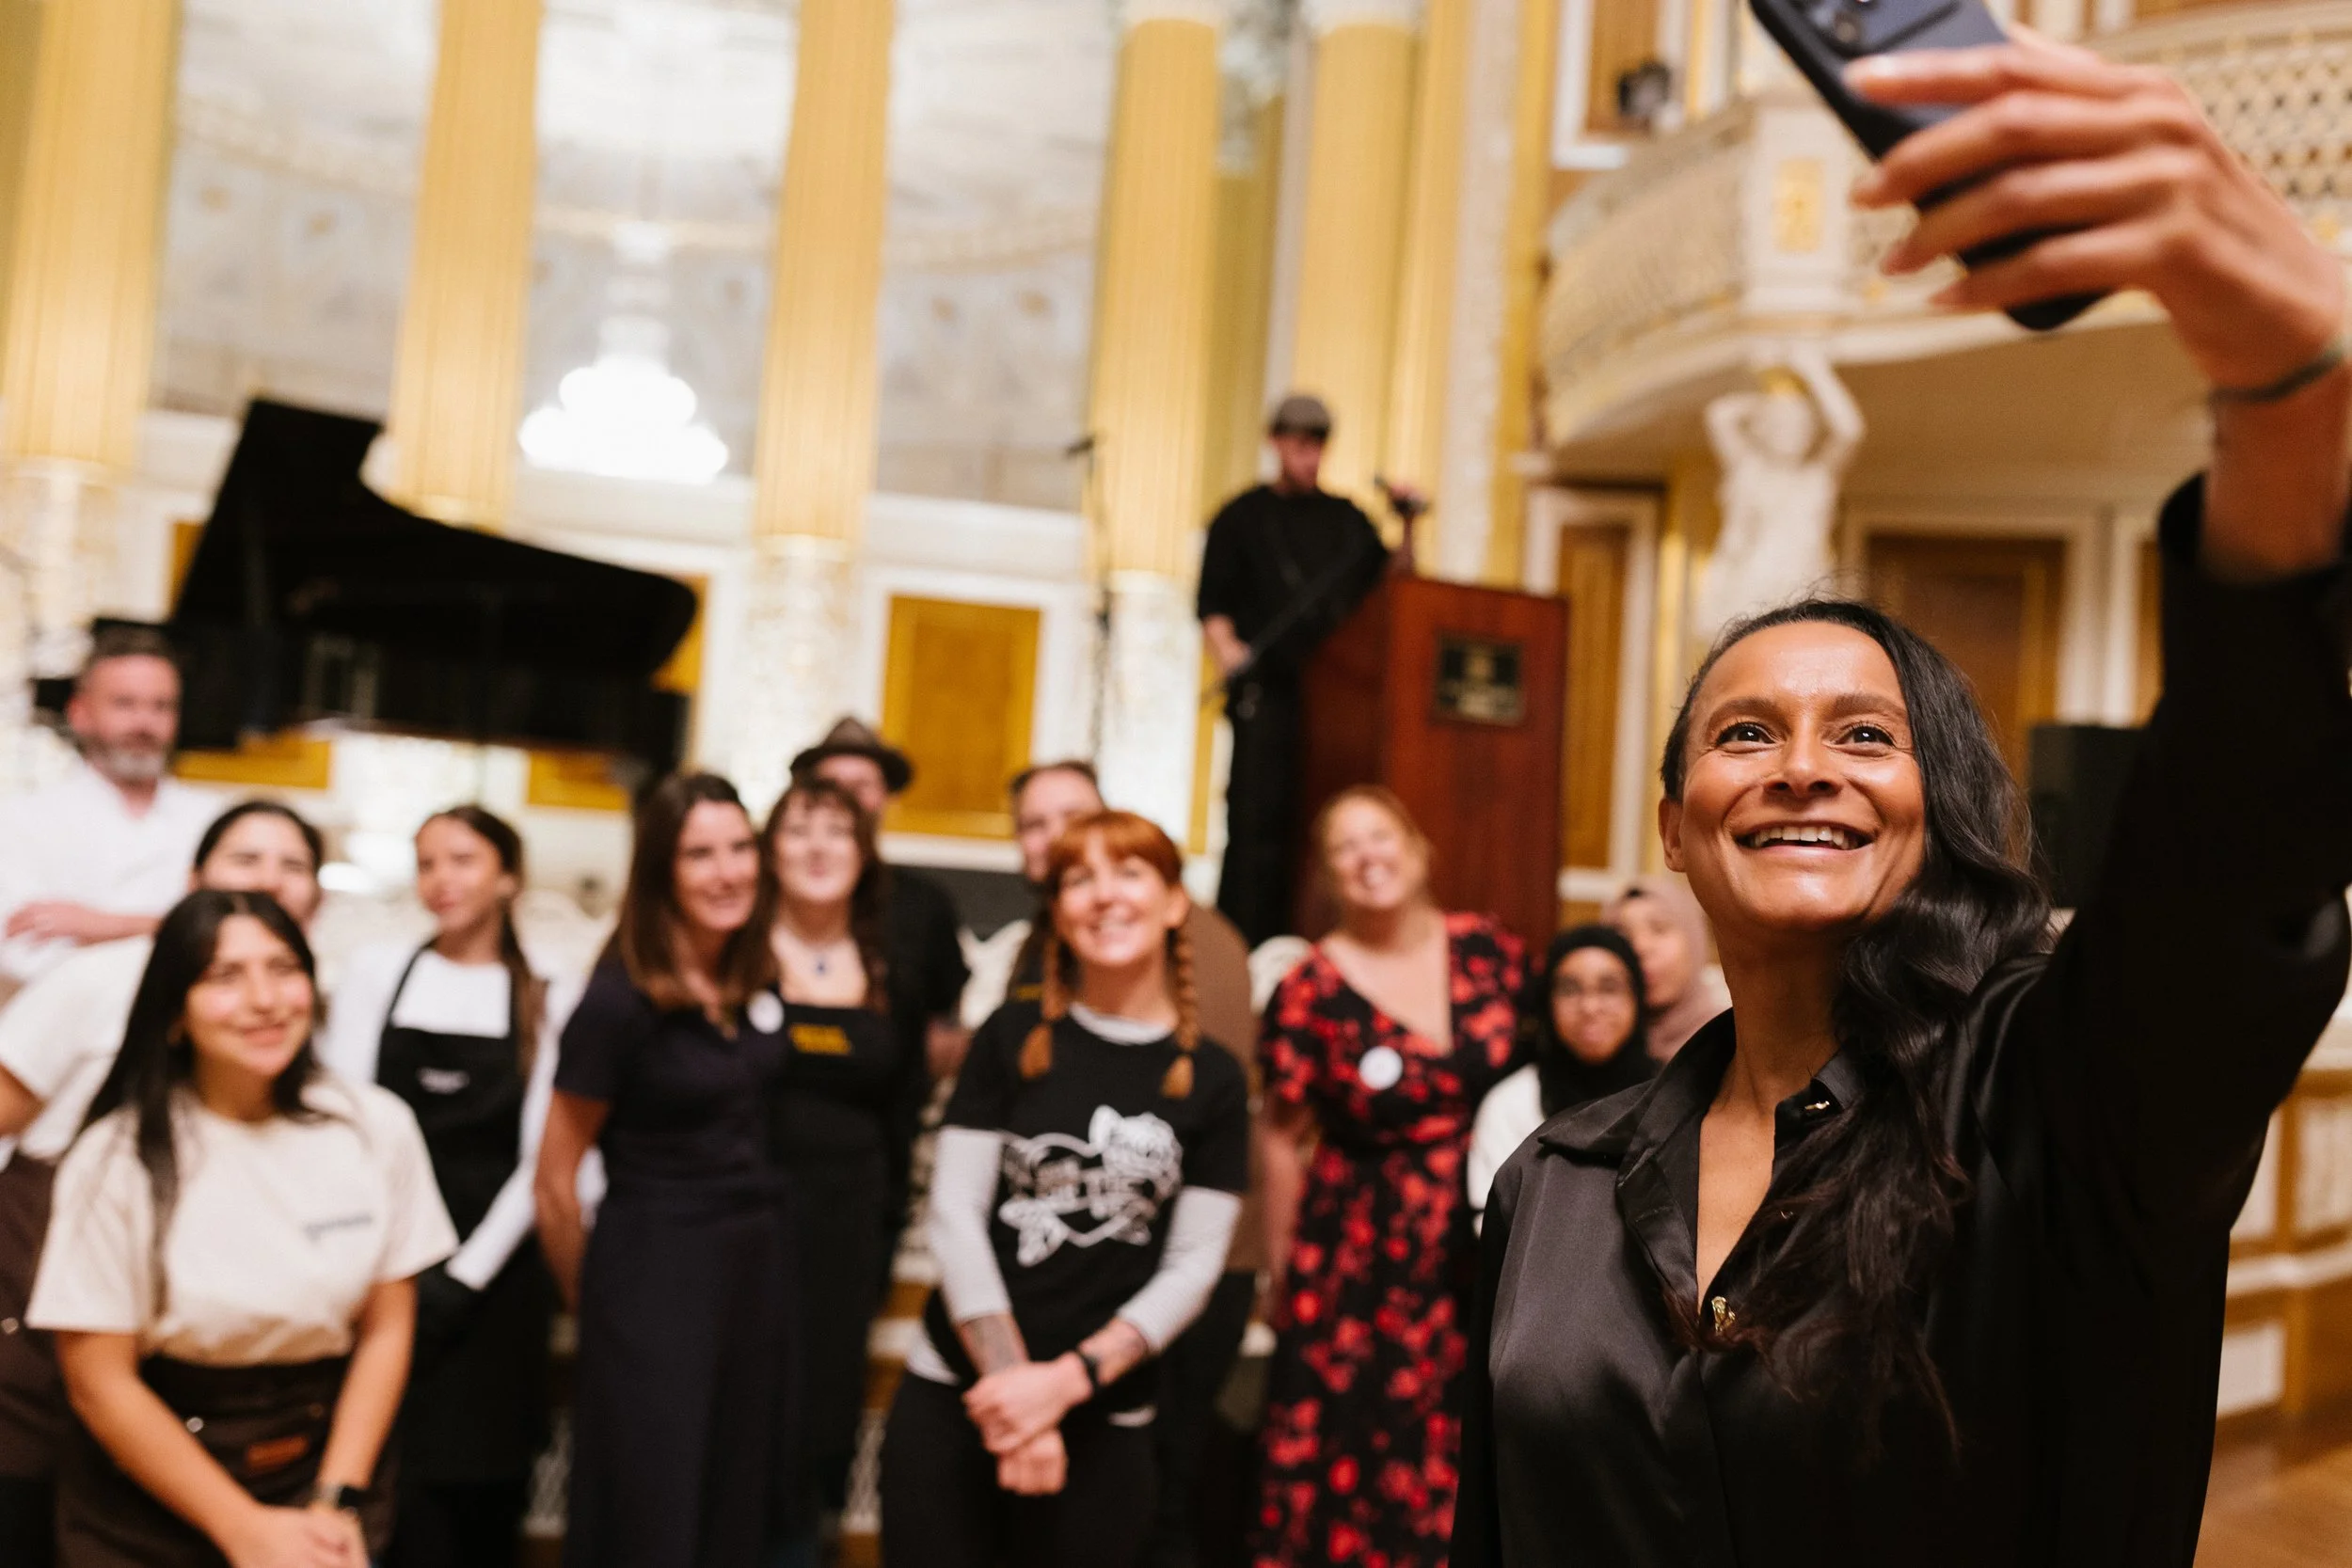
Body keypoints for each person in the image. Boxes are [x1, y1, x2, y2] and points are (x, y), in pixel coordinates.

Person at [1453, 36, 2352, 1568]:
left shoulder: (2057, 1110)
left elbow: (2230, 853)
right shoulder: (1557, 1179)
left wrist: (2286, 390)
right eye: (1746, 731)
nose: (1801, 762)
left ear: (1940, 809)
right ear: (1675, 827)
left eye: (1864, 734)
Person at [28, 888, 455, 1566]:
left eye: (283, 968)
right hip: (153, 1491)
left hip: (323, 1468)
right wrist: (244, 1529)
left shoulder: (376, 1127)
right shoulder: (115, 1157)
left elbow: (386, 1328)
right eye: (224, 976)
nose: (265, 999)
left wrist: (334, 1500)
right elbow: (99, 1382)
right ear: (174, 1010)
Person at [881, 810, 1250, 1568]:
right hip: (957, 1398)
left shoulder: (1214, 1078)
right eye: (1079, 878)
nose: (1105, 895)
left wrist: (1065, 1384)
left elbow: (1193, 1266)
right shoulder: (1010, 1036)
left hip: (1107, 1420)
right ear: (1056, 909)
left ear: (1174, 901)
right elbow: (954, 1213)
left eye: (1130, 873)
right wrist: (1017, 1391)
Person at [0, 799, 325, 1563]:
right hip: (51, 1287)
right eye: (245, 858)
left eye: (293, 863)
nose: (269, 878)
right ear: (193, 879)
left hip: (200, 1341)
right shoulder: (97, 979)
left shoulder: (302, 1004)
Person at [992, 759, 1264, 1568]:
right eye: (1034, 825)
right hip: (1077, 1264)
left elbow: (1194, 1119)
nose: (1055, 836)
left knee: (1157, 1492)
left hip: (1183, 1264)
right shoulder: (1040, 946)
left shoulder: (1190, 939)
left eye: (1072, 815)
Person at [1250, 785, 1523, 1568]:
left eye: (1380, 836)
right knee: (1362, 1441)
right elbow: (1278, 1138)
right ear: (1328, 872)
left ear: (1417, 848)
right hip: (1359, 1250)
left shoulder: (1488, 949)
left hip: (1483, 1231)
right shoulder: (1310, 984)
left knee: (1470, 1430)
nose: (1367, 856)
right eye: (1345, 846)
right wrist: (1283, 1270)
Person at [533, 773, 794, 1568]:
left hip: (751, 1269)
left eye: (740, 848)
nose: (728, 871)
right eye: (699, 854)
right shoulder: (617, 1001)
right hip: (653, 1273)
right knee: (654, 1505)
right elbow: (554, 1180)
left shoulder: (754, 975)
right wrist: (598, 1302)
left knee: (732, 1497)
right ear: (661, 872)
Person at [318, 807, 577, 1568]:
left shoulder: (549, 990)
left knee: (478, 1500)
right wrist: (396, 1265)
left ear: (509, 877)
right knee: (379, 1485)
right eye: (427, 862)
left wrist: (463, 1275)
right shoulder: (376, 971)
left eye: (463, 860)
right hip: (382, 1260)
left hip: (494, 1280)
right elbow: (351, 1120)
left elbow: (543, 1158)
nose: (441, 879)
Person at [761, 777, 928, 1542]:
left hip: (848, 1226)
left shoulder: (891, 965)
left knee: (821, 1417)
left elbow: (905, 1107)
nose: (818, 848)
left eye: (838, 831)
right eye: (799, 830)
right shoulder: (735, 953)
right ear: (769, 850)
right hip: (747, 1217)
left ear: (865, 853)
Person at [1197, 396, 1390, 949]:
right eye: (1299, 443)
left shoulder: (1348, 522)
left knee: (1325, 819)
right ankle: (1242, 947)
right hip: (1267, 695)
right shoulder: (1241, 517)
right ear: (1275, 441)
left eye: (1318, 445)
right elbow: (1213, 607)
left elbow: (1391, 589)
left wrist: (1407, 522)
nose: (1309, 456)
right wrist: (1231, 656)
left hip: (1336, 700)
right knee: (1255, 828)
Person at [0, 627, 218, 987]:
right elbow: (20, 953)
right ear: (79, 713)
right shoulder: (21, 819)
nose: (144, 724)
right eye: (124, 704)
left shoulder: (213, 818)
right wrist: (175, 931)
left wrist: (98, 925)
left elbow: (237, 936)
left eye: (161, 706)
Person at [792, 719, 972, 1079]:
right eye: (832, 786)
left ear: (887, 796)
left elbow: (945, 1024)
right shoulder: (773, 898)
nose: (847, 800)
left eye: (862, 786)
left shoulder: (926, 904)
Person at [1464, 926, 1653, 1226]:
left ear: (1637, 998)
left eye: (1609, 988)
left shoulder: (1670, 1095)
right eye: (1570, 989)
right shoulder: (1511, 1104)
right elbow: (1491, 1224)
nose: (1590, 1007)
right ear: (1547, 1003)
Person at [1602, 872, 1730, 1062]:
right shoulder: (1596, 1039)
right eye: (1623, 935)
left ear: (1694, 939)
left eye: (1658, 929)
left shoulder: (1731, 1040)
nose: (1640, 947)